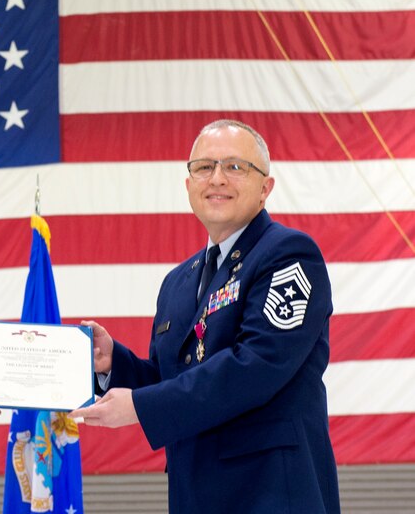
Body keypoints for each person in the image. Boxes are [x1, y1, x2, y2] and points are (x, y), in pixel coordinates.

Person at [70, 120, 340, 513]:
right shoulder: (177, 282)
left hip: (271, 493)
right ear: (189, 186)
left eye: (234, 167)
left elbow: (256, 366)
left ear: (265, 188)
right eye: (203, 167)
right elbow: (174, 380)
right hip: (194, 495)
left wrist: (141, 408)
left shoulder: (289, 255)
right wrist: (115, 364)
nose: (216, 179)